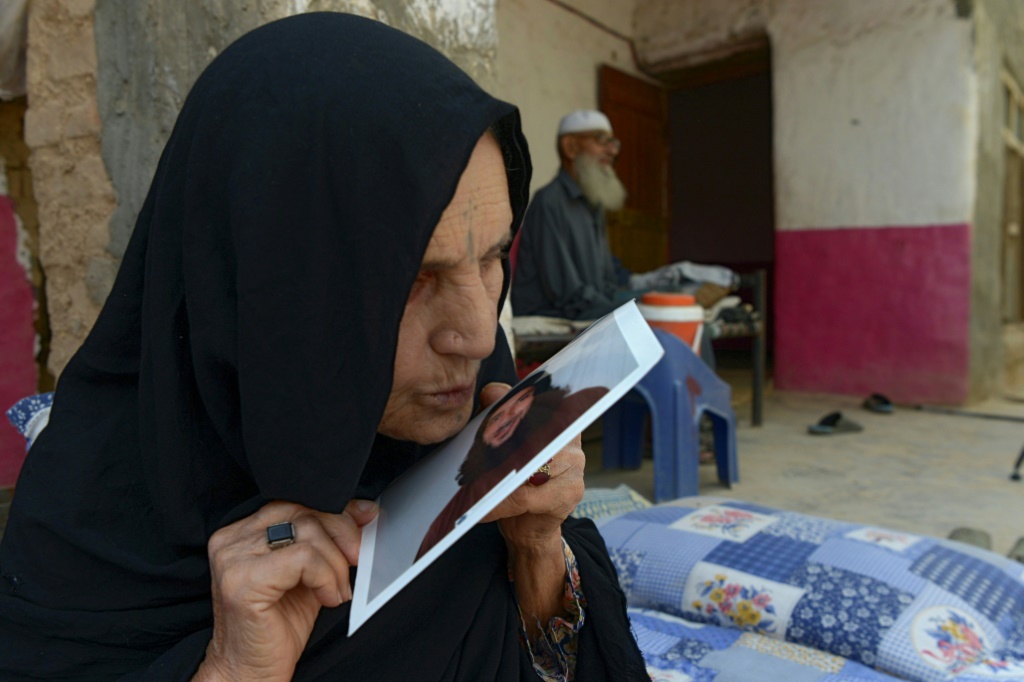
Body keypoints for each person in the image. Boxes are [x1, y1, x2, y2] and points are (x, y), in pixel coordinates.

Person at [0, 14, 649, 682]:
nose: (479, 334)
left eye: (489, 258)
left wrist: (536, 548)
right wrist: (231, 671)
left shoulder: (473, 449)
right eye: (411, 278)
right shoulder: (82, 548)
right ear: (259, 286)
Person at [510, 109, 739, 324]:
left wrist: (658, 291)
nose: (613, 151)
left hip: (592, 303)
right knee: (668, 316)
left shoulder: (592, 204)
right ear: (571, 147)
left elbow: (608, 281)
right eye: (601, 140)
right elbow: (567, 294)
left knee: (682, 304)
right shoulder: (549, 202)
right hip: (558, 312)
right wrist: (632, 309)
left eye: (614, 142)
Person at [417, 371, 608, 559]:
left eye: (523, 400)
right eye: (497, 417)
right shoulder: (452, 498)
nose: (512, 413)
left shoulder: (526, 475)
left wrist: (537, 542)